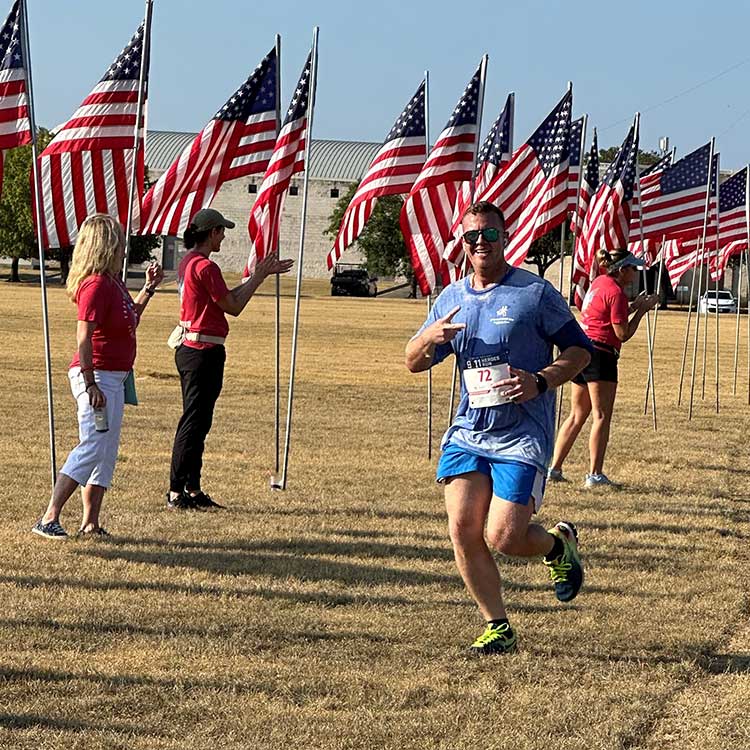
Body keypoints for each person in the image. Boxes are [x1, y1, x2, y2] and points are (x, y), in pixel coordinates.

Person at [405, 201, 592, 655]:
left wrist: (541, 380)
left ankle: (557, 546)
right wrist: (428, 338)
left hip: (522, 434)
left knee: (504, 537)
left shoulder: (534, 293)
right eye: (472, 237)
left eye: (490, 234)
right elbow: (413, 362)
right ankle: (498, 625)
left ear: (505, 238)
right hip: (470, 431)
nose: (481, 243)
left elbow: (580, 352)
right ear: (462, 244)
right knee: (462, 529)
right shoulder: (451, 299)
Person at [32, 214, 164, 539]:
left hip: (115, 378)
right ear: (105, 245)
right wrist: (90, 382)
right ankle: (49, 516)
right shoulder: (95, 285)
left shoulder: (114, 283)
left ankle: (90, 522)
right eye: (118, 241)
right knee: (92, 443)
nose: (124, 248)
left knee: (106, 449)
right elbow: (84, 336)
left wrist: (148, 289)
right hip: (97, 377)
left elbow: (130, 319)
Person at [166, 208, 293, 510]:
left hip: (192, 349)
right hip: (202, 353)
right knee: (193, 423)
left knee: (198, 422)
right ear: (211, 233)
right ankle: (176, 490)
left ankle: (192, 488)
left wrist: (254, 277)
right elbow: (233, 306)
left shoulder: (189, 263)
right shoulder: (205, 267)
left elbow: (223, 300)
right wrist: (259, 276)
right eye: (221, 231)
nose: (224, 236)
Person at [548, 248, 658, 489]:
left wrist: (632, 305)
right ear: (622, 270)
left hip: (583, 351)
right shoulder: (617, 292)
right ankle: (594, 475)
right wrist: (641, 310)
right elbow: (623, 333)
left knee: (577, 415)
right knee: (601, 415)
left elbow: (606, 313)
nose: (635, 273)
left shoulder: (600, 282)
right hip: (602, 356)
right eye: (632, 268)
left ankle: (554, 469)